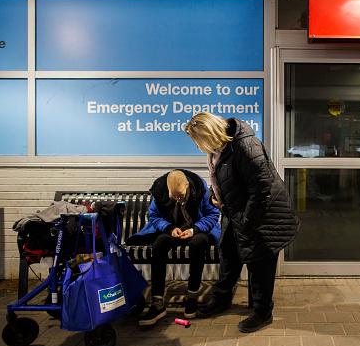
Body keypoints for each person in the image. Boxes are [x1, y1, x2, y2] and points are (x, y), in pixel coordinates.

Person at [184, 112, 300, 333]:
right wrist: (213, 195)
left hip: (261, 216)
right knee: (228, 255)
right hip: (234, 212)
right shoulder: (218, 148)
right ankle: (221, 299)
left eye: (199, 141)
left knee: (259, 264)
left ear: (211, 133)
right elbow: (221, 178)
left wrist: (249, 219)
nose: (199, 146)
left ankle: (262, 312)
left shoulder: (245, 145)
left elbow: (262, 187)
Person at [125, 169, 221, 325]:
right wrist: (169, 228)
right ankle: (157, 302)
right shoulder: (160, 192)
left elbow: (212, 214)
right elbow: (154, 216)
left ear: (187, 186)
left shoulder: (200, 190)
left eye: (180, 195)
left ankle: (192, 295)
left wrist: (193, 230)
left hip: (196, 229)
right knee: (159, 244)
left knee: (199, 243)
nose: (177, 199)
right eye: (173, 196)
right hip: (172, 229)